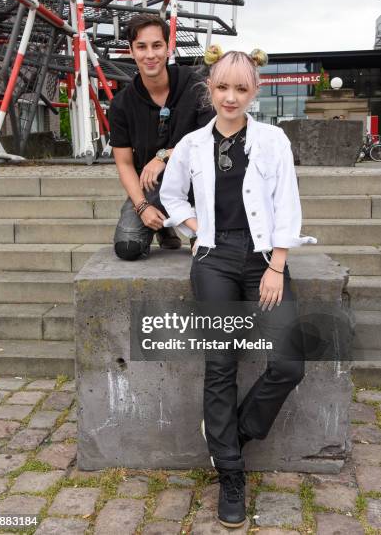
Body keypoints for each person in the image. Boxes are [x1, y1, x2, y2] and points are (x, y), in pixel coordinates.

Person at [160, 50, 317, 528]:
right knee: (220, 361)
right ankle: (230, 472)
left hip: (263, 257)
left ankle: (233, 432)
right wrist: (194, 228)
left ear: (256, 91)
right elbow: (170, 194)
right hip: (214, 259)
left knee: (289, 362)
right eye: (222, 87)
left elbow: (286, 202)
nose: (231, 97)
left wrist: (276, 265)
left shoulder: (272, 140)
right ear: (209, 87)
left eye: (241, 89)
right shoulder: (190, 144)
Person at [109, 13, 214, 260]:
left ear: (169, 48)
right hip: (154, 188)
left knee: (209, 249)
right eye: (141, 47)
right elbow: (124, 164)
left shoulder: (195, 85)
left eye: (157, 45)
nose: (150, 54)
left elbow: (211, 139)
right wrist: (142, 206)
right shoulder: (121, 104)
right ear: (132, 51)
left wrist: (164, 155)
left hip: (198, 183)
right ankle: (163, 227)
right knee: (127, 247)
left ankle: (185, 223)